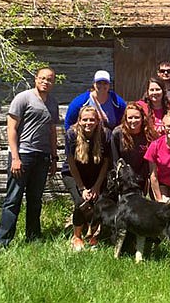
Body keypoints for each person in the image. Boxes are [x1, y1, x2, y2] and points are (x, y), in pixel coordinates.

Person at [0, 67, 60, 247]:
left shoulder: (53, 103)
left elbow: (52, 131)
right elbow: (11, 129)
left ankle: (33, 236)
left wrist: (54, 157)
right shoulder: (23, 98)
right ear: (36, 79)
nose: (46, 82)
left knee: (35, 198)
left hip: (42, 156)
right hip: (23, 154)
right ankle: (3, 241)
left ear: (53, 83)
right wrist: (15, 157)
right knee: (13, 198)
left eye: (50, 79)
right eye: (43, 78)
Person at [62, 106, 111, 251]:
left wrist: (96, 186)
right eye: (85, 120)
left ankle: (92, 235)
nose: (88, 123)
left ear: (97, 121)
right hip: (73, 174)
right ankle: (77, 236)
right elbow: (71, 163)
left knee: (97, 200)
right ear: (79, 120)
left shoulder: (104, 134)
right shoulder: (71, 134)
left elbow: (106, 163)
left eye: (92, 120)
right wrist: (82, 188)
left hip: (96, 174)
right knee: (81, 202)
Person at [110, 102, 157, 194]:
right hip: (123, 180)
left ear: (142, 118)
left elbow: (150, 161)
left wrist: (142, 178)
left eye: (137, 117)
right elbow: (115, 160)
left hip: (141, 179)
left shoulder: (149, 134)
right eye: (130, 117)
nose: (133, 120)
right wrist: (122, 177)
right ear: (125, 118)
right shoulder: (117, 133)